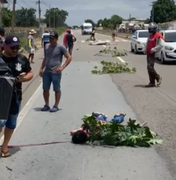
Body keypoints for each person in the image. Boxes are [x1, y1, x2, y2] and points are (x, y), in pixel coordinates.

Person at [0, 35, 33, 157]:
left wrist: (22, 78)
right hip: (1, 98)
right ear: (5, 46)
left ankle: (4, 146)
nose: (15, 50)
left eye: (17, 47)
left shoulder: (22, 59)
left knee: (11, 123)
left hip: (15, 97)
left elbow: (30, 72)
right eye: (12, 47)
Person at [39, 31, 72, 112]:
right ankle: (46, 104)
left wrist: (62, 67)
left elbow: (69, 57)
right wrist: (41, 68)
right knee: (45, 89)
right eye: (50, 38)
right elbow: (45, 57)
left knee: (56, 89)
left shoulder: (61, 47)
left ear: (56, 39)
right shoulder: (46, 46)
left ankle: (56, 105)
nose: (51, 40)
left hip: (55, 72)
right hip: (46, 71)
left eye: (52, 38)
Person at [145, 22, 164, 87]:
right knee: (149, 68)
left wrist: (154, 49)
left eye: (151, 29)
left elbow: (161, 44)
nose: (150, 30)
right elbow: (147, 43)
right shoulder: (150, 36)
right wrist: (145, 49)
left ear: (155, 29)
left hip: (153, 54)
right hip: (148, 54)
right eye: (149, 29)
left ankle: (157, 77)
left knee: (149, 67)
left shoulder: (158, 35)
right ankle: (152, 82)